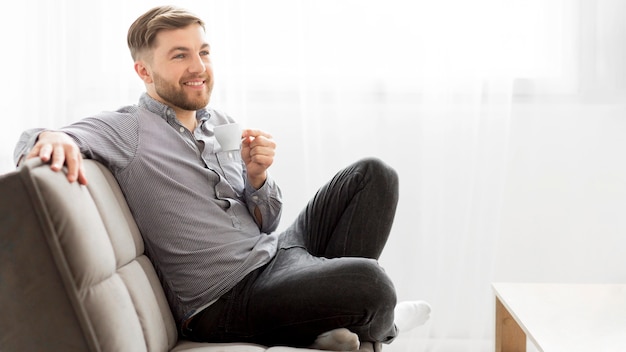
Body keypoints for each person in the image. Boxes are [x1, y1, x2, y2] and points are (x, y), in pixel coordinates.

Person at [14, 5, 430, 351]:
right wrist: (48, 136)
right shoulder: (128, 131)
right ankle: (380, 324)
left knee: (374, 175)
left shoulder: (221, 123)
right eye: (179, 55)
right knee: (372, 283)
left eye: (204, 52)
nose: (199, 67)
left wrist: (258, 178)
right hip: (225, 300)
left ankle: (334, 326)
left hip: (275, 254)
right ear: (143, 71)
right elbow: (33, 140)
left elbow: (265, 222)